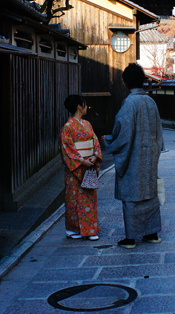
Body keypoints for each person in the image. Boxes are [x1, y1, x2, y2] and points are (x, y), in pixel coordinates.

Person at [103, 63, 164, 249]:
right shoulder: (150, 102)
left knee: (131, 196)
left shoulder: (129, 103)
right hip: (149, 157)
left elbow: (122, 131)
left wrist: (108, 140)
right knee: (149, 194)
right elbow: (158, 132)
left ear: (126, 82)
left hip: (133, 158)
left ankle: (130, 239)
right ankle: (151, 233)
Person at [60, 95, 102, 241]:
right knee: (74, 199)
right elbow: (67, 149)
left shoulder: (87, 124)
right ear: (79, 106)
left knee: (89, 197)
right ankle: (73, 229)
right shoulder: (67, 127)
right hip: (76, 170)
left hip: (88, 167)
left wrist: (95, 156)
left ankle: (90, 229)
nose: (86, 107)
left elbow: (95, 142)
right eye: (85, 105)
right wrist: (81, 161)